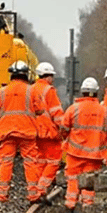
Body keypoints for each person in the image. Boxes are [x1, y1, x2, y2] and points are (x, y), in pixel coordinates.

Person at [60, 77, 107, 211]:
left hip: (75, 152)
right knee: (89, 182)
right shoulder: (105, 111)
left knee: (73, 179)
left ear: (82, 92)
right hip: (95, 154)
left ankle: (70, 204)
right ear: (97, 92)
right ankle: (87, 206)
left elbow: (63, 129)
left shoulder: (73, 109)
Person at [0, 60, 44, 203]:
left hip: (7, 132)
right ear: (26, 75)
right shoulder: (32, 91)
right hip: (27, 132)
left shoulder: (1, 92)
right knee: (30, 162)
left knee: (6, 162)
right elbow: (40, 110)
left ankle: (1, 195)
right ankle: (33, 194)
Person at [28, 62, 64, 202]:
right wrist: (63, 129)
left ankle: (34, 192)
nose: (53, 79)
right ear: (48, 76)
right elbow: (57, 113)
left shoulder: (30, 90)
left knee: (39, 161)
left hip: (33, 132)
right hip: (48, 132)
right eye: (52, 76)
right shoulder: (49, 90)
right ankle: (41, 189)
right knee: (54, 161)